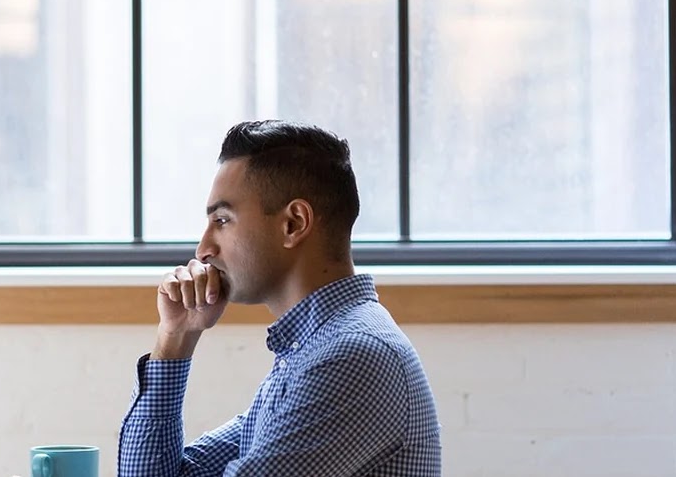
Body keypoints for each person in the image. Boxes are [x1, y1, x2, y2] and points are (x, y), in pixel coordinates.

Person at [118, 120, 441, 477]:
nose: (203, 249)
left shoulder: (352, 356)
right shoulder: (309, 353)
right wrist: (176, 336)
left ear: (294, 224)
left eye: (222, 220)